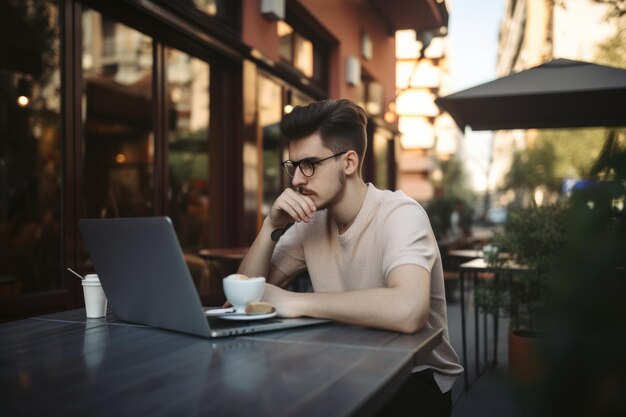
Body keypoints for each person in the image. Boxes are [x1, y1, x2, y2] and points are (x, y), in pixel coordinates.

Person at [237, 99, 462, 416]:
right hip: (342, 365)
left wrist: (296, 302)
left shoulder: (400, 214)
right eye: (293, 166)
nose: (297, 180)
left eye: (309, 164)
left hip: (414, 378)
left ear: (349, 162)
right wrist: (270, 226)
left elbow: (409, 310)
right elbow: (242, 297)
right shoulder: (310, 224)